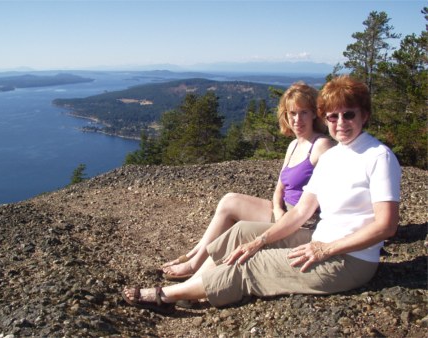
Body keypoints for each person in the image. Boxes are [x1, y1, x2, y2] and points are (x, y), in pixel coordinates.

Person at [121, 75, 401, 314]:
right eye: (333, 116)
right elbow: (302, 211)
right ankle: (198, 282)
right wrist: (261, 239)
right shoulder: (333, 157)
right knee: (244, 233)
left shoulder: (378, 157)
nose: (340, 122)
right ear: (325, 118)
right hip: (318, 239)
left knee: (249, 265)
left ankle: (167, 296)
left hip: (351, 260)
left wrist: (325, 249)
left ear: (364, 115)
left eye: (348, 114)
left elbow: (386, 225)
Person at [161, 82, 334, 281]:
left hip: (301, 222)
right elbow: (279, 189)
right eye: (291, 113)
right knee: (229, 200)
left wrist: (286, 218)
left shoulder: (322, 146)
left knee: (237, 225)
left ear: (314, 114)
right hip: (283, 212)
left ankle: (194, 264)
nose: (297, 119)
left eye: (303, 112)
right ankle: (194, 256)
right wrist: (278, 211)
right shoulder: (294, 145)